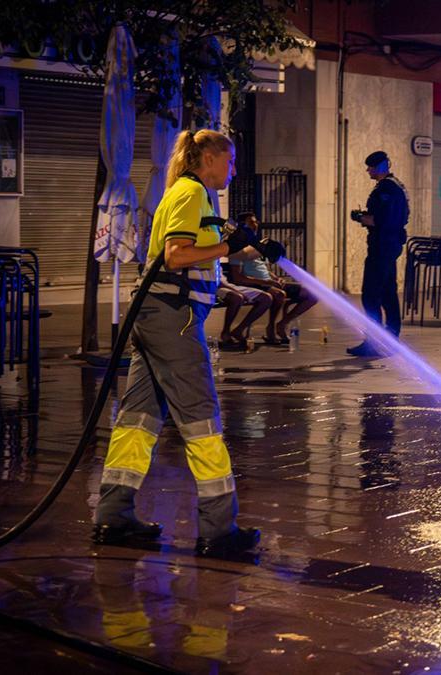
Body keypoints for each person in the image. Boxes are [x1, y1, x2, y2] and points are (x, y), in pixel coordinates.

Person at [92, 128, 282, 558]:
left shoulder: (193, 194)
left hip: (157, 315)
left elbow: (205, 247)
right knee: (202, 420)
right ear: (209, 158)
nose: (232, 170)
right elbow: (177, 255)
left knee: (137, 422)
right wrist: (225, 248)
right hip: (172, 319)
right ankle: (218, 530)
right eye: (230, 161)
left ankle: (113, 515)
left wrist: (253, 249)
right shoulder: (190, 192)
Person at [347, 151, 409, 357]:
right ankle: (391, 338)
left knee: (371, 295)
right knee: (388, 292)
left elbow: (379, 220)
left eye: (371, 167)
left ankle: (374, 341)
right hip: (389, 245)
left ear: (381, 167)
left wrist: (359, 217)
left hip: (382, 245)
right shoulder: (396, 186)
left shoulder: (386, 189)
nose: (368, 171)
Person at [226, 212, 318, 344]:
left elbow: (263, 268)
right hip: (255, 283)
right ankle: (264, 329)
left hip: (268, 282)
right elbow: (238, 278)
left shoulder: (257, 246)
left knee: (312, 294)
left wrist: (275, 278)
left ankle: (282, 324)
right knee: (278, 294)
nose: (255, 225)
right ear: (242, 225)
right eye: (251, 222)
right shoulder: (237, 248)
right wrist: (265, 282)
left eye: (256, 222)